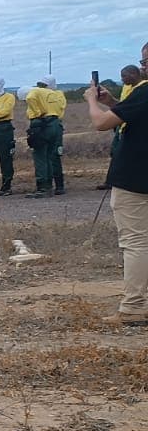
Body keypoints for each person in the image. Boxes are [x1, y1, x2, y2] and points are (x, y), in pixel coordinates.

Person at [85, 45, 148, 325]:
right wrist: (112, 101)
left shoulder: (145, 91)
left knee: (136, 242)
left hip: (136, 177)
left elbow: (100, 123)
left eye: (145, 62)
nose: (143, 67)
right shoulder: (140, 94)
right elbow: (130, 116)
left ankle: (134, 306)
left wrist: (91, 101)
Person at [25, 76, 64, 198]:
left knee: (40, 156)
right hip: (56, 124)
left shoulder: (36, 91)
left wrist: (38, 112)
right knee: (51, 156)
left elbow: (30, 97)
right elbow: (61, 108)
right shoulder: (56, 94)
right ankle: (51, 187)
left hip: (42, 124)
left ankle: (42, 187)